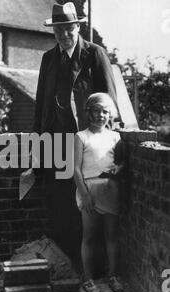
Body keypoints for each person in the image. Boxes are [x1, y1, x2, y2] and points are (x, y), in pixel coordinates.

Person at [33, 2, 119, 271]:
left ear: (77, 27)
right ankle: (69, 268)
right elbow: (40, 107)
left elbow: (109, 102)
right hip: (57, 145)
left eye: (68, 29)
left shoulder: (95, 54)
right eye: (59, 30)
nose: (64, 35)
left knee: (92, 208)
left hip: (90, 145)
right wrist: (38, 148)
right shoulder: (48, 59)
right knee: (61, 205)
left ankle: (97, 272)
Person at [74, 92, 124, 292]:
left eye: (105, 111)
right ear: (88, 113)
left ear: (110, 114)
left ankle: (113, 276)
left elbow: (121, 163)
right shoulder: (81, 136)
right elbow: (75, 169)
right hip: (89, 190)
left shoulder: (115, 136)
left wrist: (117, 170)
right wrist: (84, 194)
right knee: (90, 237)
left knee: (111, 236)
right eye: (96, 110)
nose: (100, 115)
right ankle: (89, 279)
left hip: (110, 189)